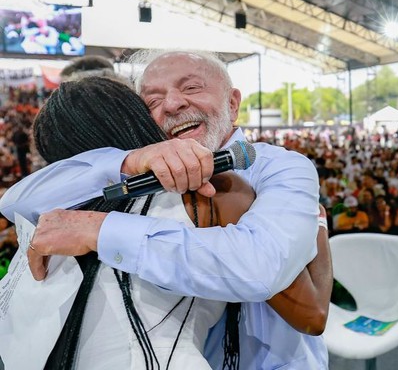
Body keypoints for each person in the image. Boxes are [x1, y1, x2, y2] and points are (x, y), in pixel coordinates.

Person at [0, 50, 328, 369]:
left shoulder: (280, 167)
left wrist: (100, 230)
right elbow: (14, 201)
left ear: (232, 103)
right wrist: (126, 161)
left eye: (192, 88)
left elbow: (266, 272)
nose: (172, 104)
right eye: (153, 102)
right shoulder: (141, 178)